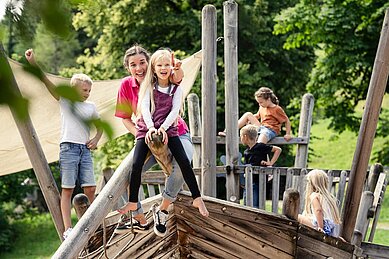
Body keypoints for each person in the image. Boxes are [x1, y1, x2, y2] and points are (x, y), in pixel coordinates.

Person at [114, 45, 201, 237]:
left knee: (184, 162)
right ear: (128, 67)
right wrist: (144, 135)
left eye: (142, 62)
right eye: (133, 65)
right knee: (128, 175)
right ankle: (140, 219)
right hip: (148, 136)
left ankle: (162, 209)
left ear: (150, 63)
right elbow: (125, 118)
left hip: (175, 132)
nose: (139, 68)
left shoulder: (163, 75)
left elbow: (178, 77)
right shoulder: (126, 86)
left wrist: (177, 68)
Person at [25, 49, 103, 240]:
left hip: (84, 150)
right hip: (68, 148)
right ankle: (68, 229)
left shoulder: (91, 106)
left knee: (90, 188)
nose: (87, 93)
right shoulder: (66, 101)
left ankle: (96, 222)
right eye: (85, 90)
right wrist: (34, 63)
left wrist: (95, 139)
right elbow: (47, 84)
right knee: (67, 189)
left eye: (89, 91)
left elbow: (99, 128)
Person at [219, 87, 292, 144]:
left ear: (268, 99)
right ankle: (228, 131)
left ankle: (257, 153)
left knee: (261, 139)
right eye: (258, 103)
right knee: (248, 114)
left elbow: (286, 121)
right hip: (262, 127)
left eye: (261, 102)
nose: (260, 104)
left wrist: (288, 134)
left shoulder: (277, 109)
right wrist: (249, 120)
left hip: (271, 130)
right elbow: (257, 115)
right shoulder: (262, 107)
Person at [240, 125, 282, 208]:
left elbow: (278, 149)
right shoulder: (246, 152)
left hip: (259, 180)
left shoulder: (260, 146)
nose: (240, 138)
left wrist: (270, 162)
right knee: (246, 202)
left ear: (245, 137)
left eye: (241, 136)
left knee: (256, 204)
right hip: (249, 181)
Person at [298, 169, 341, 237]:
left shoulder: (314, 195)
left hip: (323, 227)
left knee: (298, 217)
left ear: (311, 184)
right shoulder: (329, 198)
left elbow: (318, 210)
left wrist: (320, 227)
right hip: (331, 228)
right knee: (307, 215)